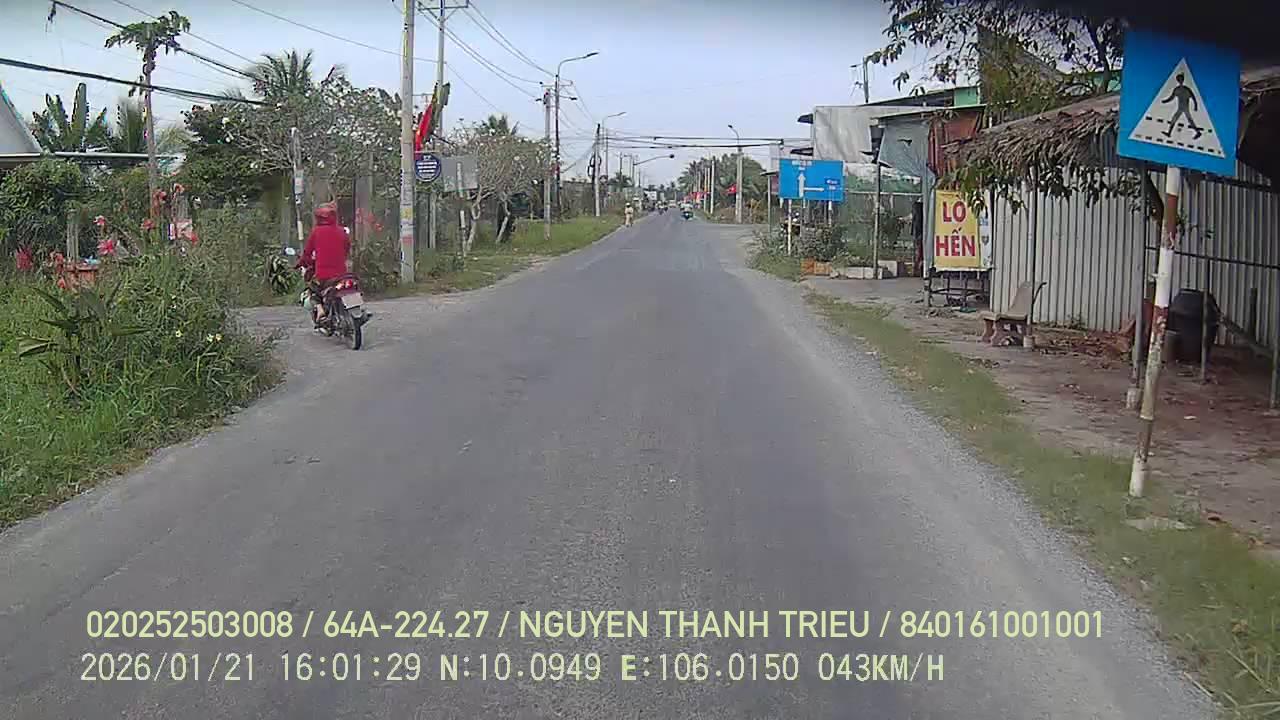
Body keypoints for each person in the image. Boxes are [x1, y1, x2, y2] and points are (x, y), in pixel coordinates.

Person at [296, 203, 351, 324]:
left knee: (313, 288)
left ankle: (320, 310)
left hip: (323, 276)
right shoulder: (342, 231)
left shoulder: (316, 232)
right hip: (342, 274)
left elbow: (307, 253)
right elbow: (347, 248)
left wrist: (300, 263)